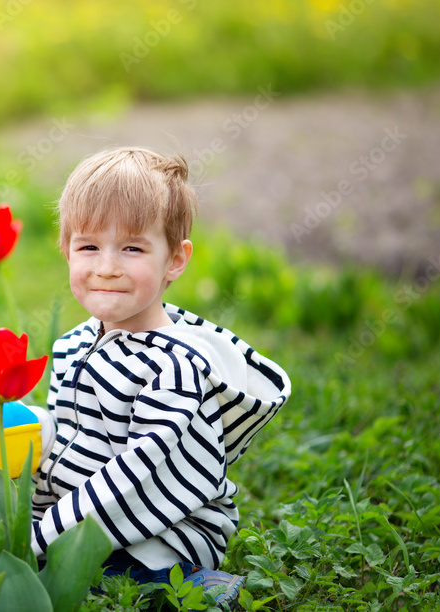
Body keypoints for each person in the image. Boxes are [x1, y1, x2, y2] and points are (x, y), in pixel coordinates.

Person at [19, 147, 292, 607]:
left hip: (168, 524)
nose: (107, 266)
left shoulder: (173, 368)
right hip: (87, 513)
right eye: (89, 246)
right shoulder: (71, 344)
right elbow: (74, 440)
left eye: (132, 248)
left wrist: (36, 540)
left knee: (106, 577)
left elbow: (139, 477)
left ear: (175, 260)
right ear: (66, 250)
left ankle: (197, 586)